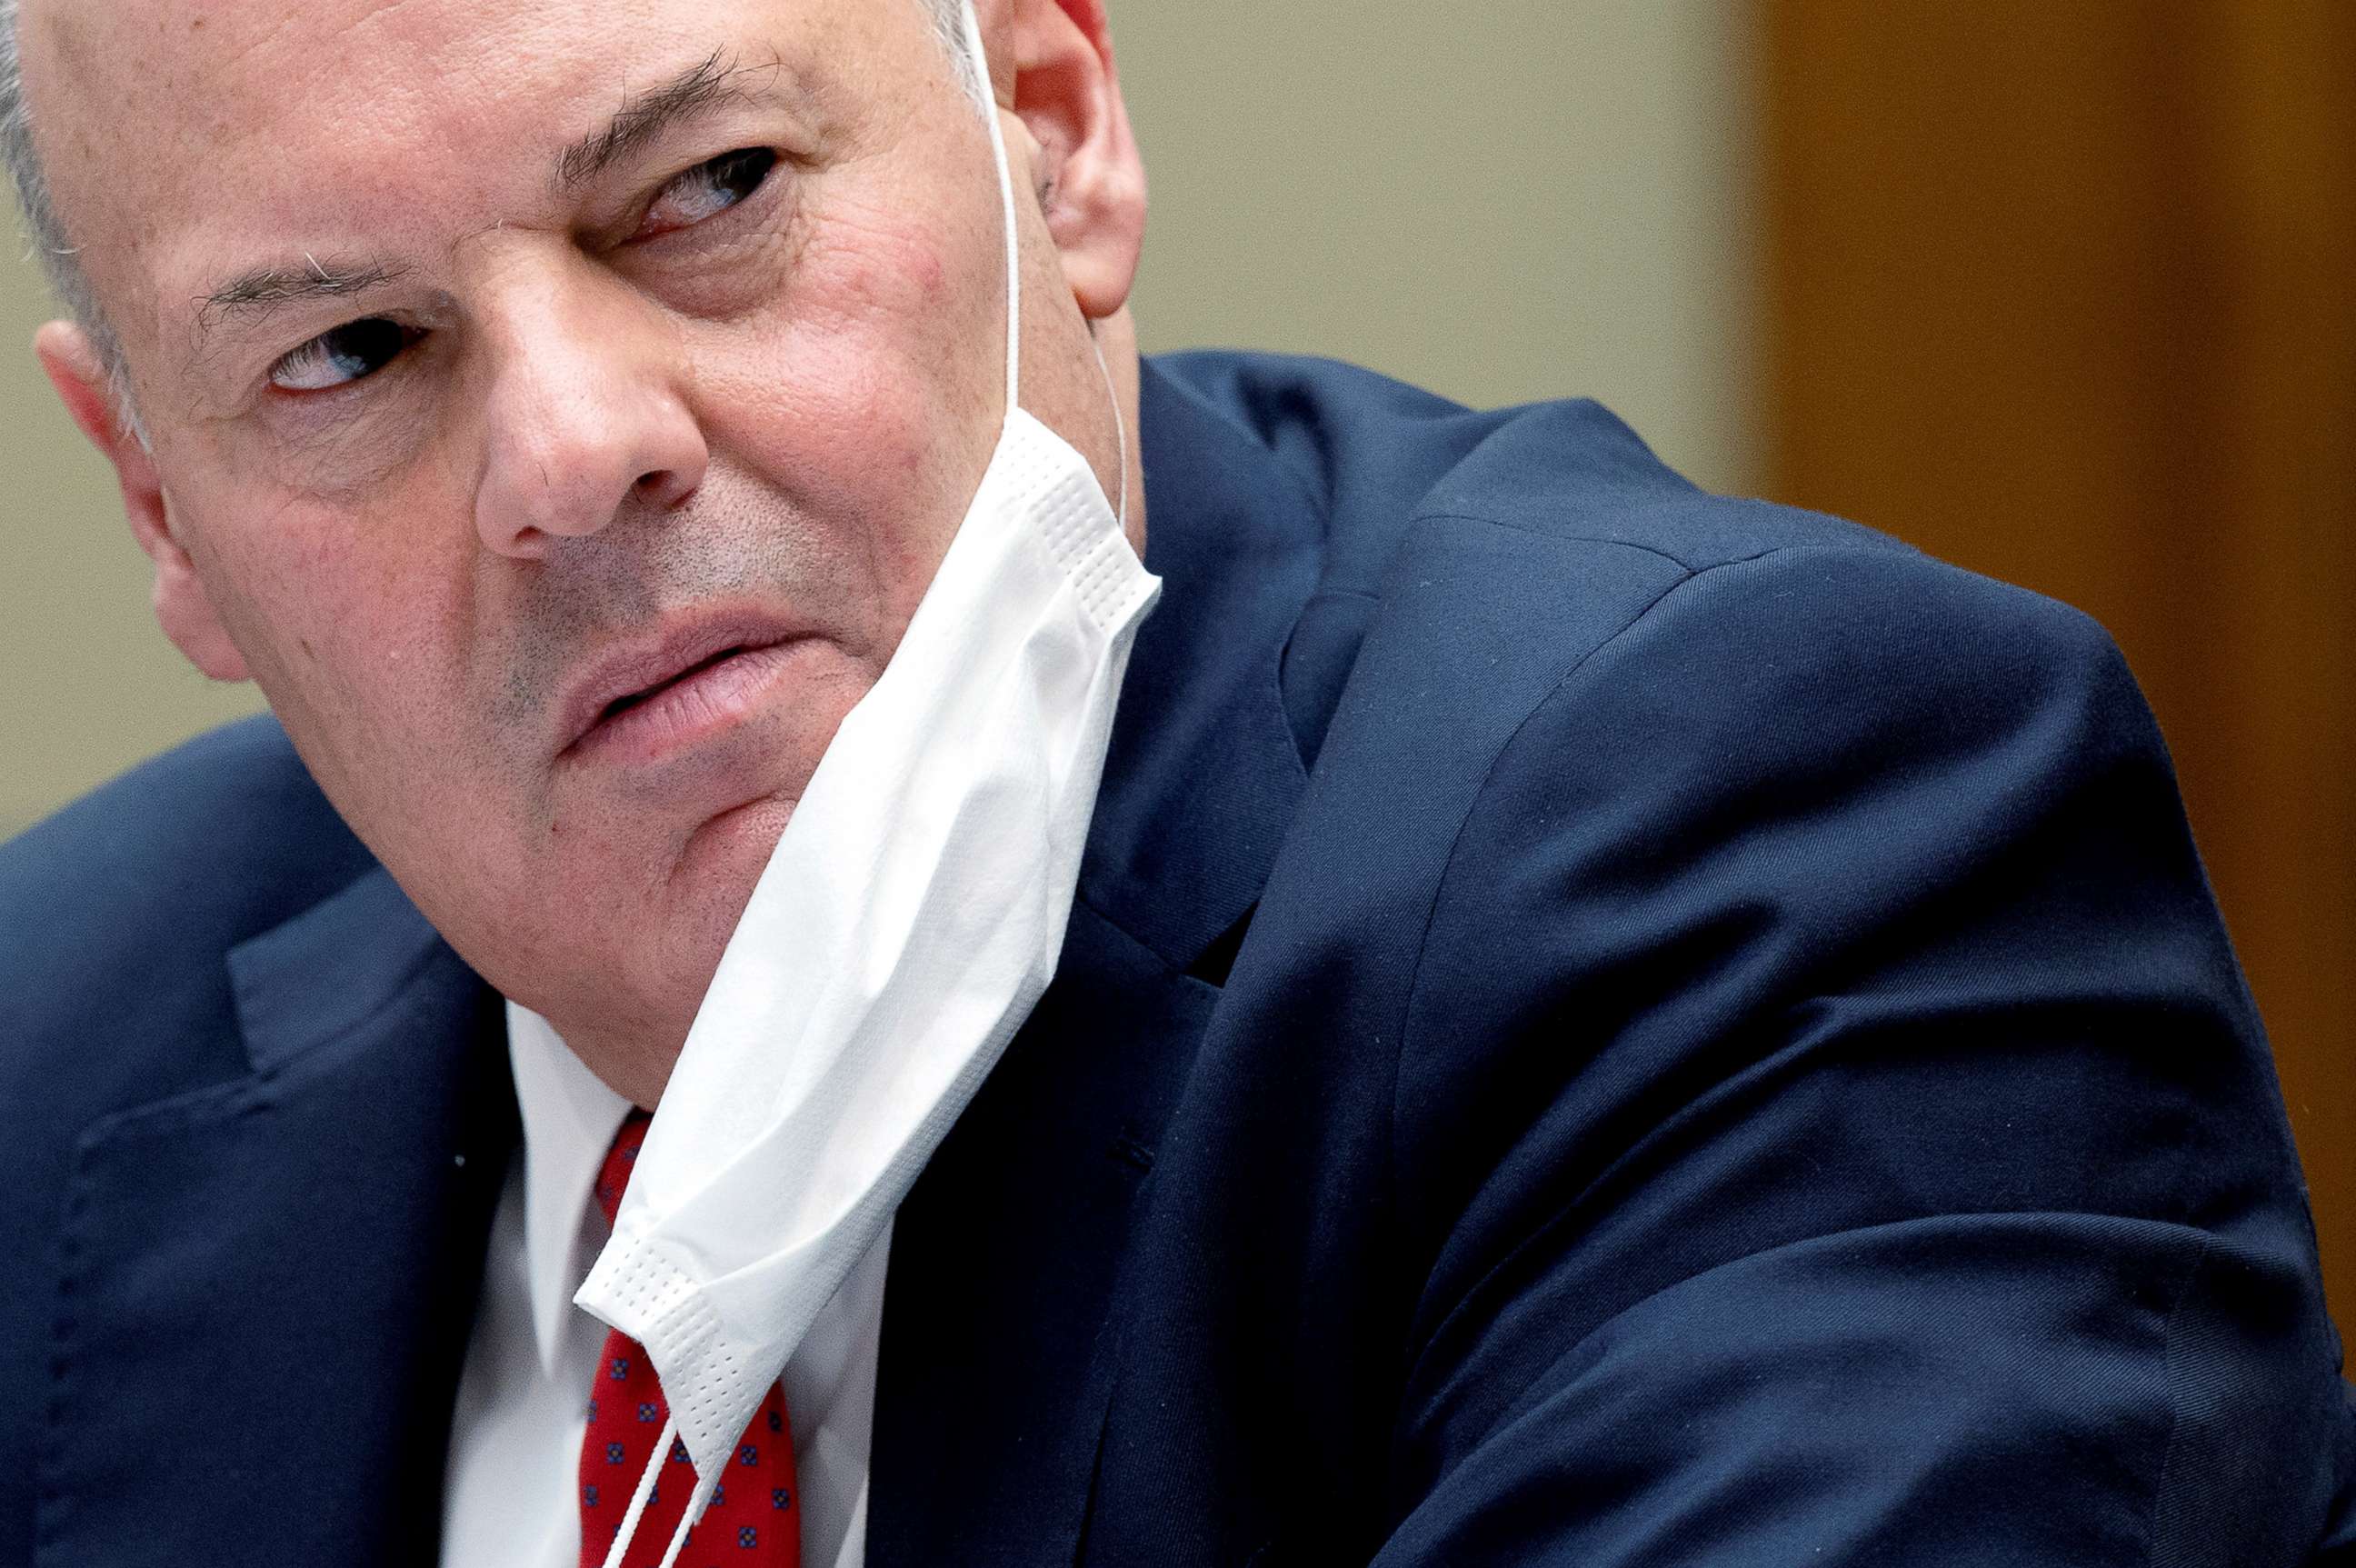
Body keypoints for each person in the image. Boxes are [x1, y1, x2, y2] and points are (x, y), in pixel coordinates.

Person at [0, 0, 2350, 1563]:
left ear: (1057, 122)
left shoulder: (1762, 852)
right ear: (159, 514)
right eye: (348, 352)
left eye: (706, 195)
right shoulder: (46, 1056)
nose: (574, 451)